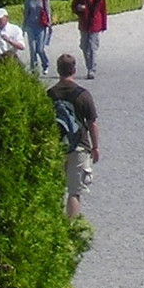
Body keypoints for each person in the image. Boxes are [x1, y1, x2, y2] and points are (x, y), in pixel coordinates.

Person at [52, 55, 98, 220]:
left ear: (58, 70)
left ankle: (53, 222)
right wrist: (95, 147)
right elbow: (92, 123)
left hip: (56, 146)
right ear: (74, 69)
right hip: (79, 145)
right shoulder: (83, 95)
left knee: (55, 189)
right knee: (74, 192)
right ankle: (71, 226)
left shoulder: (50, 94)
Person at [72, 0, 108, 79]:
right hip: (84, 23)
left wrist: (104, 25)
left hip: (95, 24)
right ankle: (89, 65)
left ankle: (91, 69)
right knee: (84, 46)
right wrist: (78, 8)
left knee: (92, 47)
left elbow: (103, 11)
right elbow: (74, 6)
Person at [22, 0, 52, 74]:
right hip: (30, 26)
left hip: (41, 26)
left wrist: (49, 24)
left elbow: (48, 12)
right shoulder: (28, 0)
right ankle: (34, 69)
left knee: (40, 49)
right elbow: (26, 14)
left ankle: (45, 64)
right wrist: (23, 27)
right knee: (32, 49)